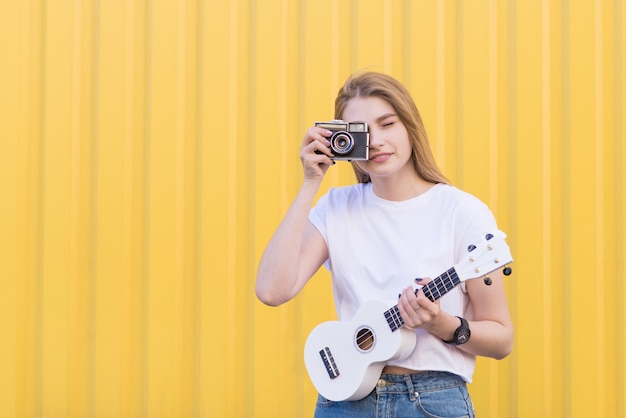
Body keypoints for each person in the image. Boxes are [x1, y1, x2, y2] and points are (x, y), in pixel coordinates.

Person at [256, 71, 514, 418]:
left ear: (409, 126)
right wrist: (310, 183)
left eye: (387, 123)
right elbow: (273, 290)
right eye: (361, 131)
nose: (376, 141)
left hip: (431, 400)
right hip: (344, 401)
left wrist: (440, 324)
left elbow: (502, 339)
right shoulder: (335, 207)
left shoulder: (462, 213)